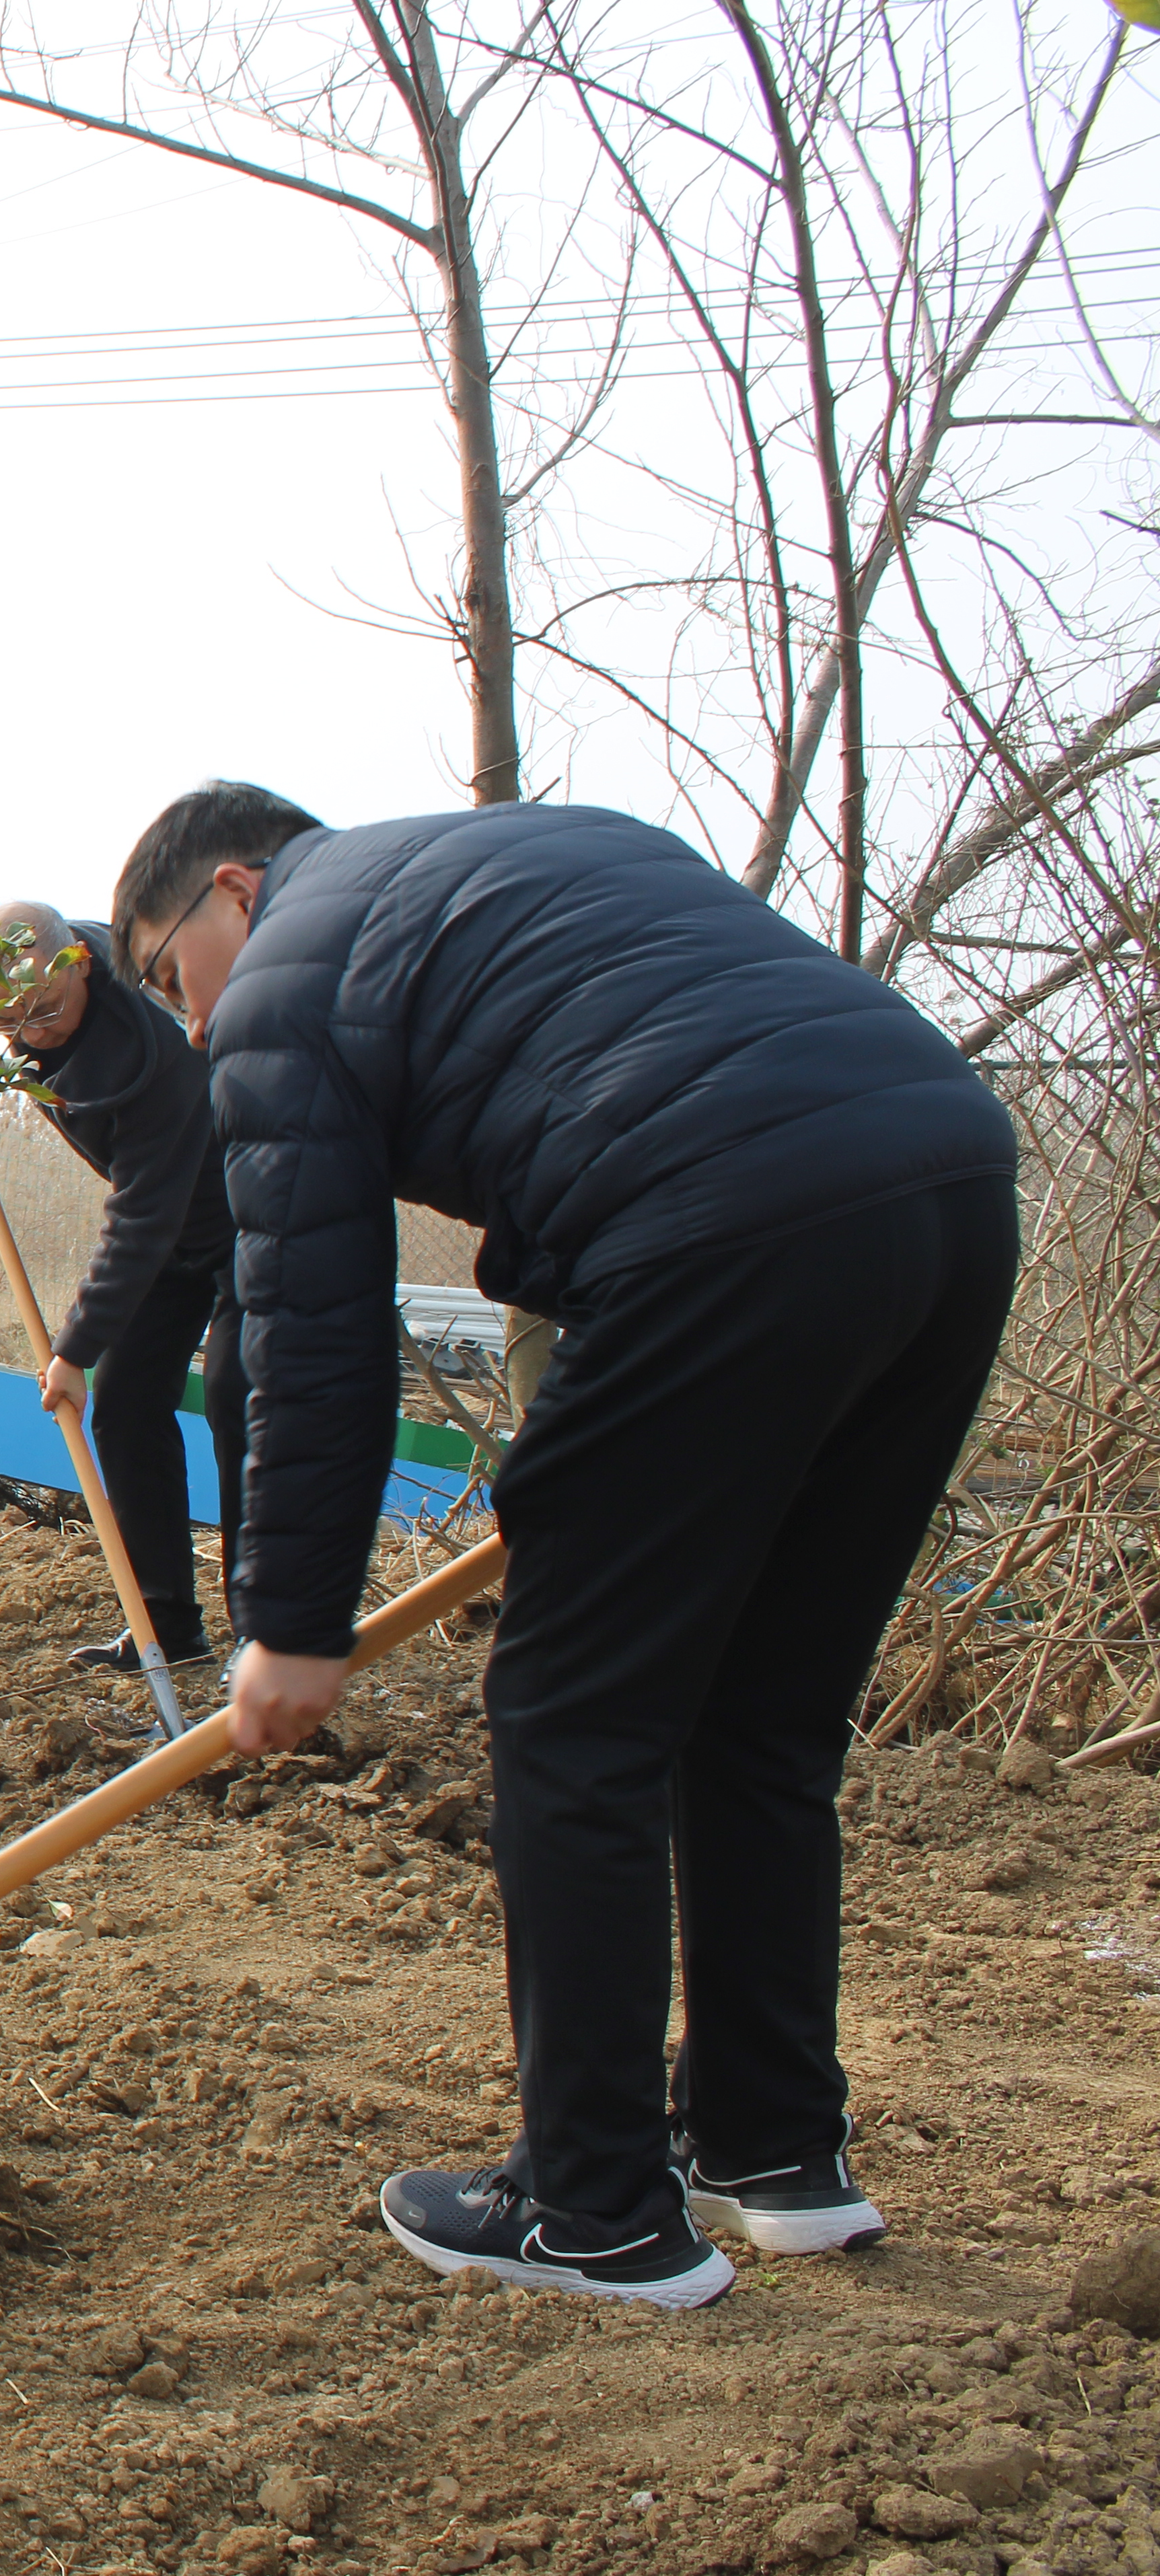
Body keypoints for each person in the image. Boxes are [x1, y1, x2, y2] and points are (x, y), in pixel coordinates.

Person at [115, 782, 1019, 2308]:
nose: (191, 1026)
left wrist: (292, 1620)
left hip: (722, 1216)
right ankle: (773, 2147)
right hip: (947, 1185)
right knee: (764, 1713)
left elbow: (309, 1326)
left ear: (235, 891)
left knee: (568, 1715)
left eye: (166, 974)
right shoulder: (529, 854)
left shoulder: (280, 979)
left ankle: (595, 2207)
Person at [0, 897, 245, 1675]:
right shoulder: (9, 981)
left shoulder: (152, 1053)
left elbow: (140, 1219)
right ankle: (168, 1630)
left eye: (47, 1012)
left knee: (240, 1398)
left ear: (79, 965)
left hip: (249, 1209)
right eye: (11, 1021)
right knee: (125, 1405)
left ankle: (264, 1632)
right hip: (168, 1223)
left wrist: (74, 1348)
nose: (31, 1035)